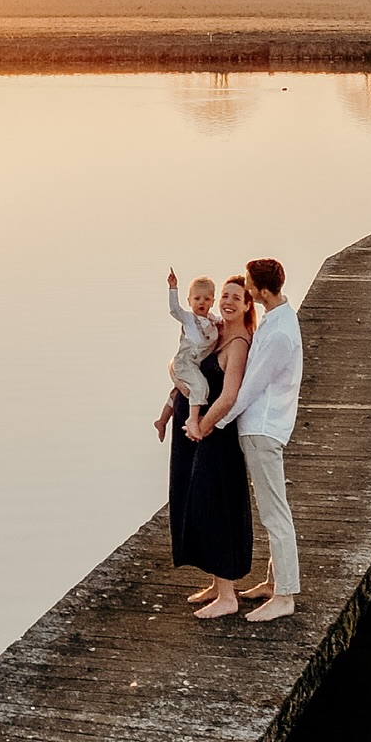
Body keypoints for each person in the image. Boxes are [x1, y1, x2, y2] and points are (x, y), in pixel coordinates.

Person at [195, 256, 301, 624]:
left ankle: (285, 595)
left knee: (275, 514)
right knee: (274, 510)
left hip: (263, 429)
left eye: (250, 284)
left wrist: (213, 423)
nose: (247, 288)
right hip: (260, 428)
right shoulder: (277, 318)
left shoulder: (279, 333)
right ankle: (273, 583)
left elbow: (249, 388)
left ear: (261, 290)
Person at [169, 276, 255, 619]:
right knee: (197, 504)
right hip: (196, 434)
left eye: (236, 297)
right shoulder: (217, 333)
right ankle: (217, 585)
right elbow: (184, 365)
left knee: (215, 509)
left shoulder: (238, 344)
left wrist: (201, 427)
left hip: (215, 437)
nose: (228, 302)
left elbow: (229, 396)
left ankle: (228, 596)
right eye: (225, 296)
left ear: (247, 305)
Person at [154, 269, 219, 442]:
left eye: (206, 299)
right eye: (197, 298)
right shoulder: (189, 319)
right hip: (185, 361)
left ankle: (162, 421)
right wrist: (173, 288)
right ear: (189, 300)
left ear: (213, 301)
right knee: (200, 386)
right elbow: (175, 310)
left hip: (194, 363)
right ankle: (192, 419)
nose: (201, 302)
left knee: (178, 392)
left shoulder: (213, 320)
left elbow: (224, 323)